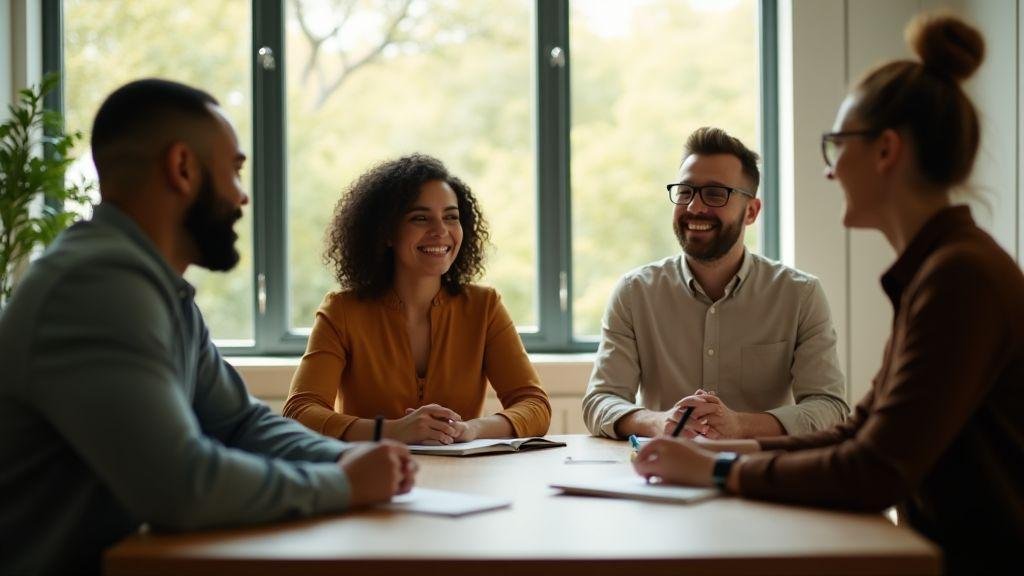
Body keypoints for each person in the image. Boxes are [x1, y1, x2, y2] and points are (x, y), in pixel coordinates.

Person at [632, 13, 1023, 575]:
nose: (829, 170)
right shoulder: (943, 268)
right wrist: (720, 452)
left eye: (835, 144)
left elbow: (874, 469)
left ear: (886, 151)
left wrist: (716, 471)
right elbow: (859, 432)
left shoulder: (960, 277)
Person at [0, 79, 416, 575]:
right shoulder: (94, 290)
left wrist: (345, 461)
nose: (242, 198)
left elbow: (239, 423)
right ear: (182, 168)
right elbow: (181, 487)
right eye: (236, 171)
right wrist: (345, 486)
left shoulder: (156, 288)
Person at [583, 127, 848, 440]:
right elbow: (599, 402)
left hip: (760, 473)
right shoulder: (634, 293)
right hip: (663, 472)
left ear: (751, 212)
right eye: (685, 191)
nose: (695, 207)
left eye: (714, 194)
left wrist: (741, 425)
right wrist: (660, 422)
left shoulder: (800, 295)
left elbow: (830, 408)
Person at [283, 154, 551, 445]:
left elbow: (535, 407)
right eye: (420, 218)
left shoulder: (484, 307)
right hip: (372, 477)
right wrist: (391, 431)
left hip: (463, 479)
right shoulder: (342, 311)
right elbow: (299, 413)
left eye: (451, 217)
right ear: (386, 232)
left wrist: (472, 429)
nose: (441, 231)